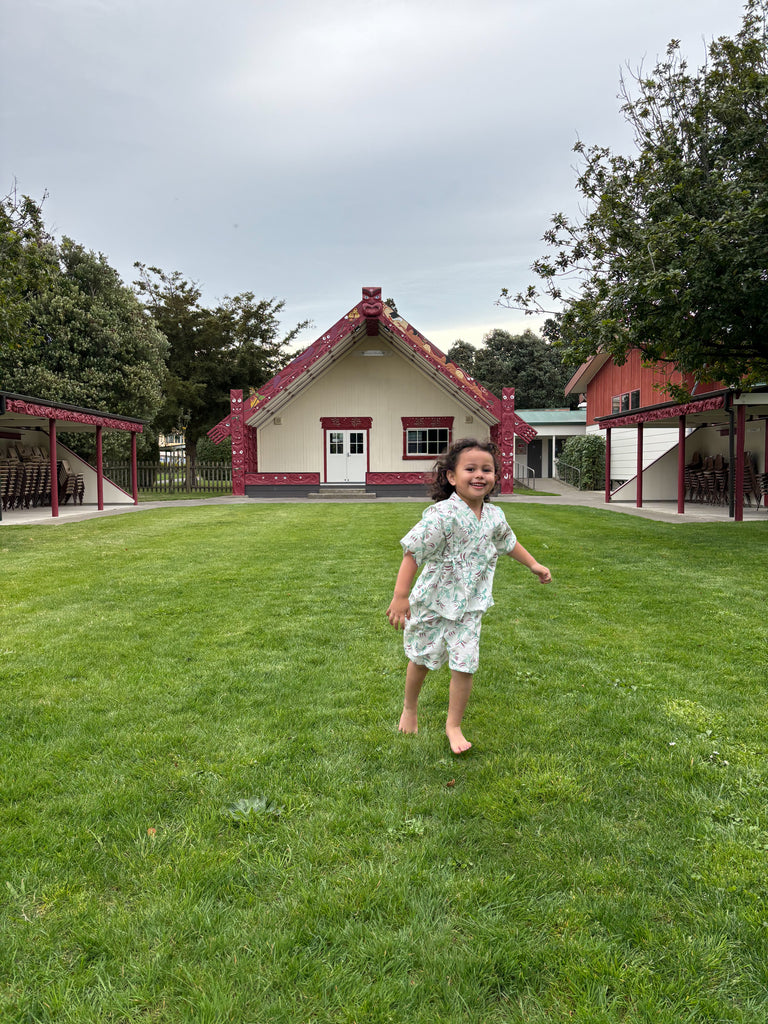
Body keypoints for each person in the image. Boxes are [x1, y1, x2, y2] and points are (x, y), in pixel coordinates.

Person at [386, 438, 551, 754]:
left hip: (469, 606)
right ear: (451, 476)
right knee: (421, 658)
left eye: (486, 470)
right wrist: (400, 596)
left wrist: (533, 564)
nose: (479, 475)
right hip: (432, 602)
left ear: (494, 477)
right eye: (470, 469)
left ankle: (454, 725)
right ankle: (409, 707)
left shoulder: (493, 516)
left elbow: (508, 543)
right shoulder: (442, 515)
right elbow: (412, 552)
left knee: (465, 665)